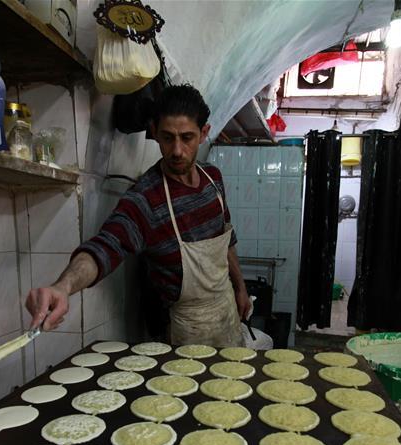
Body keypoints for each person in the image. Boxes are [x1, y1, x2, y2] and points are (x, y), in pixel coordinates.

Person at [24, 84, 251, 347]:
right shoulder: (145, 199)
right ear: (154, 133)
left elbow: (226, 239)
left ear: (203, 133)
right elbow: (107, 245)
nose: (177, 150)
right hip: (187, 327)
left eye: (187, 138)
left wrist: (240, 288)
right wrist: (62, 287)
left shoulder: (214, 179)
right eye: (167, 137)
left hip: (226, 309)